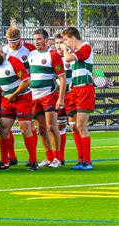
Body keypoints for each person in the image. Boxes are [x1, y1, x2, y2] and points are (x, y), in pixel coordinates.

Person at [0, 42, 38, 171]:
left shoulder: (13, 62)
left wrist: (14, 94)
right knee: (3, 128)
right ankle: (5, 162)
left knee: (25, 128)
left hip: (23, 98)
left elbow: (26, 81)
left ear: (2, 52)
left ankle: (33, 161)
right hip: (7, 99)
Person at [28, 29, 66, 168]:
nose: (36, 42)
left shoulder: (53, 55)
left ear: (46, 39)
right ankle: (49, 157)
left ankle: (58, 158)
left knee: (51, 127)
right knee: (42, 129)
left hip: (49, 96)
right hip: (34, 97)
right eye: (35, 39)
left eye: (39, 39)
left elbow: (62, 78)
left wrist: (60, 98)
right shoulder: (31, 55)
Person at [61, 27, 95, 170]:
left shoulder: (86, 47)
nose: (66, 43)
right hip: (75, 90)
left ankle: (87, 161)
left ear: (73, 37)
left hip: (84, 90)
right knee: (74, 127)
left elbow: (67, 58)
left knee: (81, 125)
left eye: (67, 40)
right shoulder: (76, 52)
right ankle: (80, 159)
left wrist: (64, 49)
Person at [2, 26, 38, 166]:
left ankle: (32, 159)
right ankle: (11, 156)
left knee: (27, 126)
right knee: (5, 126)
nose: (13, 44)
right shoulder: (4, 51)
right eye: (10, 41)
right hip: (9, 93)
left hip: (27, 91)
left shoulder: (29, 49)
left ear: (20, 39)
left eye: (15, 41)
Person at [54, 33, 73, 165]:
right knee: (58, 126)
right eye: (57, 43)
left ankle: (82, 158)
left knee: (75, 126)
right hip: (57, 95)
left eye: (61, 42)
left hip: (71, 95)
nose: (59, 45)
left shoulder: (71, 58)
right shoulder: (52, 58)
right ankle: (59, 157)